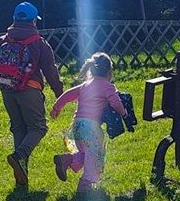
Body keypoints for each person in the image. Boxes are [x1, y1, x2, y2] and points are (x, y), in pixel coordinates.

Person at [0, 1, 64, 186]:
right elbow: (50, 70)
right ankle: (19, 156)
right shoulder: (38, 43)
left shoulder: (3, 40)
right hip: (30, 89)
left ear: (14, 19)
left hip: (7, 89)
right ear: (34, 21)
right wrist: (59, 93)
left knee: (18, 128)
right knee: (38, 128)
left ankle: (21, 175)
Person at [50, 52, 127, 193]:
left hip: (77, 126)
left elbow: (68, 95)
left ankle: (67, 160)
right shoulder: (108, 86)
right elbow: (116, 102)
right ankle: (85, 185)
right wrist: (124, 113)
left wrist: (56, 107)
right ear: (109, 72)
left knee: (87, 153)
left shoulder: (85, 85)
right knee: (96, 155)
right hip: (91, 128)